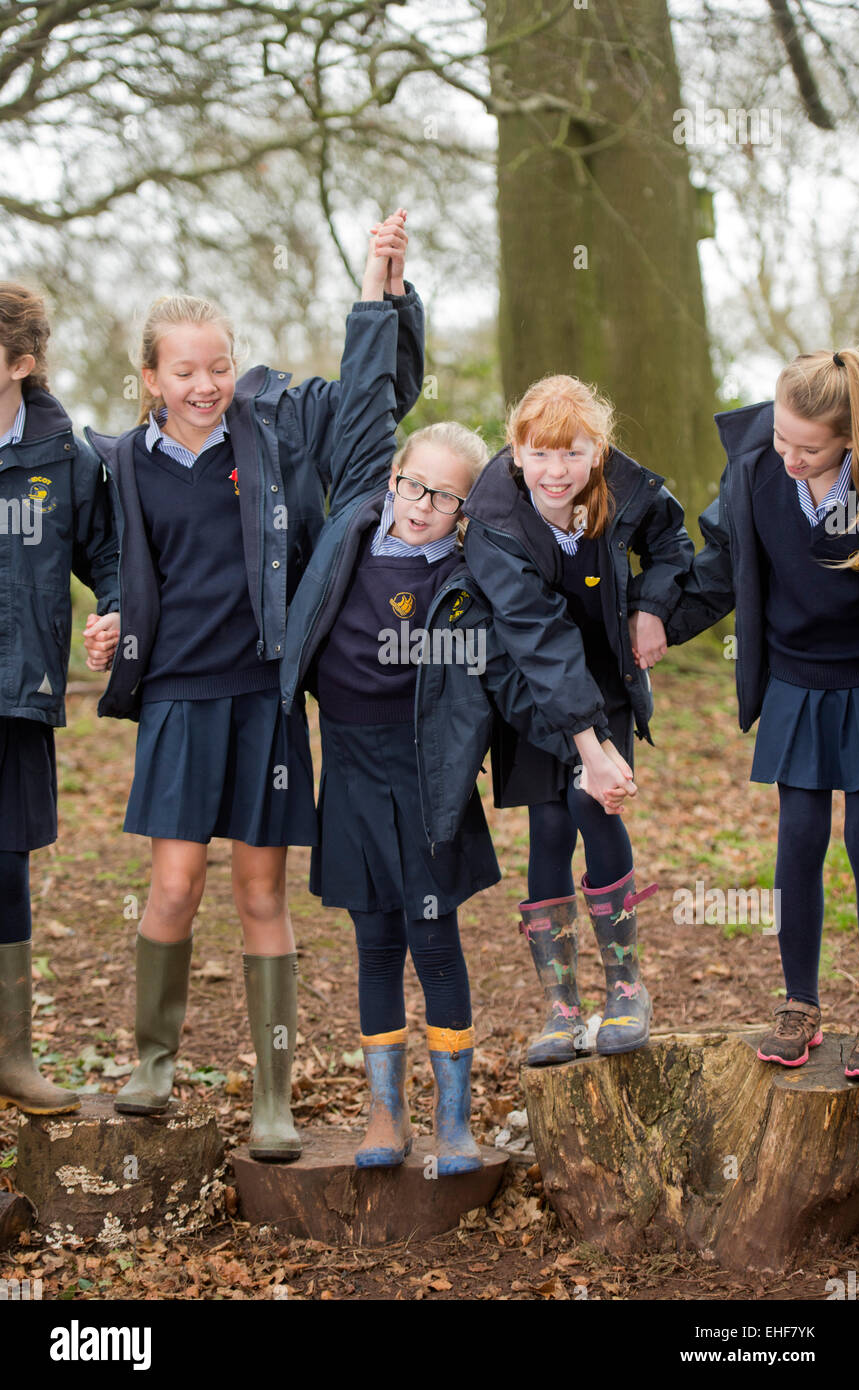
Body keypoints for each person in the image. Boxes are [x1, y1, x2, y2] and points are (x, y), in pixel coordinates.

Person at [82, 212, 424, 1158]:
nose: (204, 384)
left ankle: (273, 1097)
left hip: (265, 697)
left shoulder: (273, 427)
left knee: (262, 895)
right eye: (184, 371)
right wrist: (112, 614)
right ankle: (154, 1063)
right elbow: (114, 562)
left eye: (217, 365)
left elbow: (370, 395)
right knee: (178, 883)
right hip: (178, 700)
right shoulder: (118, 464)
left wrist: (378, 289)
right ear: (150, 377)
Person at [281, 396, 499, 1174]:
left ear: (466, 509)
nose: (423, 506)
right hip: (347, 765)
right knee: (374, 942)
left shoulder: (469, 575)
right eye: (414, 485)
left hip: (424, 774)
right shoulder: (348, 534)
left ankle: (453, 1120)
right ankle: (384, 1112)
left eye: (445, 497)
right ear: (394, 477)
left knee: (433, 942)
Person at [462, 375, 693, 1064]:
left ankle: (625, 988)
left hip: (604, 684)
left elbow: (673, 545)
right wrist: (583, 748)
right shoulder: (494, 523)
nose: (554, 471)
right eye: (539, 454)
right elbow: (536, 637)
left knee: (596, 813)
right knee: (549, 827)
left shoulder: (628, 494)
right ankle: (561, 1005)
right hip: (530, 684)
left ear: (597, 451)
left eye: (571, 454)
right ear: (515, 452)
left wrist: (649, 607)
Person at [664, 348, 859, 1077]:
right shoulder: (755, 471)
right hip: (797, 677)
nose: (787, 456)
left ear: (849, 439)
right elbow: (717, 567)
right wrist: (657, 616)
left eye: (807, 448)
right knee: (798, 842)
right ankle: (799, 1002)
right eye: (780, 437)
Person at [0, 282, 119, 1115]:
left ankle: (10, 1057)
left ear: (21, 363)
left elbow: (108, 557)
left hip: (17, 694)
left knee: (6, 866)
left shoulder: (66, 458)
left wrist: (112, 611)